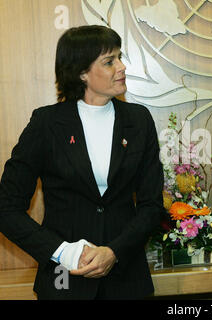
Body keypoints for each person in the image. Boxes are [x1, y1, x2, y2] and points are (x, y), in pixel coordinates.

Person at [0, 25, 164, 299]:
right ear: (81, 73)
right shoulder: (47, 124)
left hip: (126, 282)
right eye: (110, 61)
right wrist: (64, 252)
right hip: (63, 281)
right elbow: (6, 208)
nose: (122, 67)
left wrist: (114, 251)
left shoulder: (138, 120)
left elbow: (151, 205)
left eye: (120, 57)